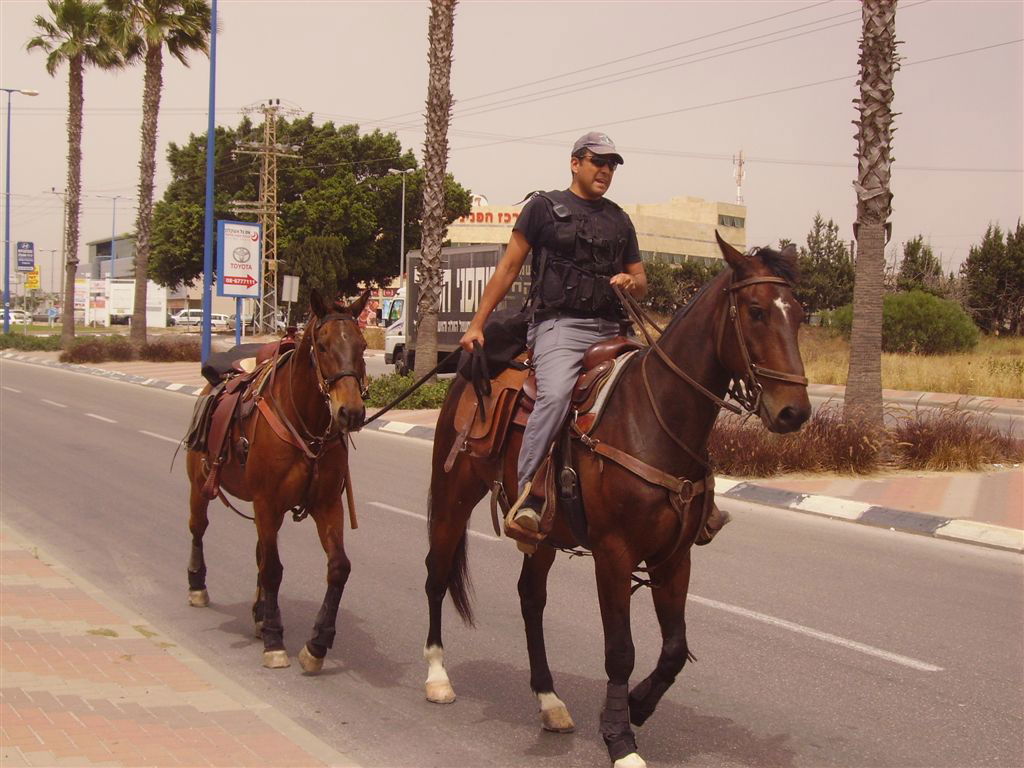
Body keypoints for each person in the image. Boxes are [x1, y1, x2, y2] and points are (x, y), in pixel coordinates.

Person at [459, 131, 647, 541]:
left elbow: (641, 278)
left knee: (653, 388)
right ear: (575, 163)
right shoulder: (544, 208)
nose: (605, 170)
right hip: (560, 326)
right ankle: (528, 495)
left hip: (612, 331)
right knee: (557, 393)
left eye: (612, 164)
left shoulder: (620, 219)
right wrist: (477, 323)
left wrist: (630, 283)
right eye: (598, 161)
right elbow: (508, 268)